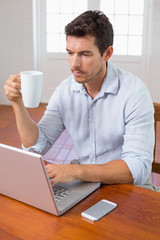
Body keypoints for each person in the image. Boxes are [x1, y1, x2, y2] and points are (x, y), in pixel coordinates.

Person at [4, 10, 154, 188]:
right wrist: (17, 103)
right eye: (70, 53)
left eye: (85, 54)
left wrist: (76, 171)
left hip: (129, 189)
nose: (74, 64)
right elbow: (35, 145)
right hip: (87, 185)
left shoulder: (135, 93)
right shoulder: (65, 91)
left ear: (107, 53)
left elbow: (137, 168)